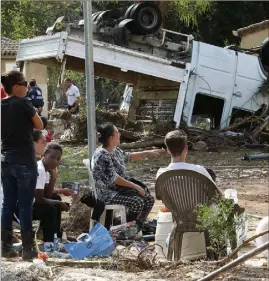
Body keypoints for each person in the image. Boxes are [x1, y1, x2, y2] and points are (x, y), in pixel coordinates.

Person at [1, 71, 43, 259]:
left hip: (6, 160)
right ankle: (28, 249)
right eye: (24, 83)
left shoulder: (1, 105)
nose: (27, 87)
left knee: (7, 204)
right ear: (16, 87)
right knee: (25, 205)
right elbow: (40, 125)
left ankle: (5, 247)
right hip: (25, 161)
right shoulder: (24, 103)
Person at [92, 122, 165, 229]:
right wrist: (135, 186)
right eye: (118, 132)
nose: (120, 135)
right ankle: (123, 228)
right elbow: (114, 179)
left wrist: (148, 152)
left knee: (149, 199)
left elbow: (128, 156)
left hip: (118, 189)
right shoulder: (102, 155)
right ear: (111, 137)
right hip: (107, 193)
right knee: (137, 202)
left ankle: (137, 226)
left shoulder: (114, 149)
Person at [33, 143, 72, 257]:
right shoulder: (40, 169)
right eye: (52, 157)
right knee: (51, 209)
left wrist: (53, 178)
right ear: (44, 155)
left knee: (55, 199)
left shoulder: (45, 170)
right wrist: (59, 203)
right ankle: (49, 249)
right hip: (21, 209)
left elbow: (48, 195)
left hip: (32, 204)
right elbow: (40, 199)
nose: (55, 161)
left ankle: (55, 239)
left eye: (58, 159)